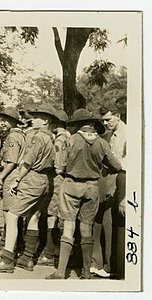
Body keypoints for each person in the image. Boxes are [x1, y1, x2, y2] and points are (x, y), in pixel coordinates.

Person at [45, 108, 122, 280]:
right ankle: (86, 272)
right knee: (87, 228)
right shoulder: (102, 143)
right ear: (93, 124)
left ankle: (60, 272)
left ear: (78, 124)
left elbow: (59, 166)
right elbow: (116, 166)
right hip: (92, 187)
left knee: (69, 227)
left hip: (72, 185)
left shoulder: (71, 140)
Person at [0, 103, 58, 273]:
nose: (33, 119)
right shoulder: (51, 137)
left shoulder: (38, 137)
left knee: (12, 216)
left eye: (37, 117)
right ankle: (27, 258)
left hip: (32, 178)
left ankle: (7, 259)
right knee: (33, 217)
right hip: (44, 179)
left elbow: (27, 162)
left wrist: (17, 180)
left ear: (45, 121)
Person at [0, 107, 26, 255]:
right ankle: (9, 242)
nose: (2, 123)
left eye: (6, 120)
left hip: (11, 175)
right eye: (2, 119)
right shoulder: (20, 135)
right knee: (13, 211)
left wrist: (0, 178)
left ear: (13, 121)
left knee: (8, 212)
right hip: (16, 174)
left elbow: (11, 161)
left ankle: (11, 246)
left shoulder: (13, 137)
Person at [37, 109, 70, 267]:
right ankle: (47, 249)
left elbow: (58, 165)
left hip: (57, 178)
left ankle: (49, 252)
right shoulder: (68, 138)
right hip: (62, 178)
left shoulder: (59, 140)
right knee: (51, 215)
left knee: (51, 215)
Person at [101, 104, 127, 279]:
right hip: (112, 177)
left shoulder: (127, 134)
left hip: (123, 177)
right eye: (103, 120)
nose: (105, 123)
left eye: (108, 119)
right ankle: (110, 266)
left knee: (120, 223)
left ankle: (120, 269)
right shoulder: (110, 134)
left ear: (117, 116)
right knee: (108, 221)